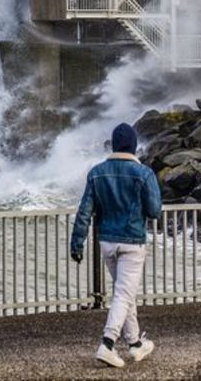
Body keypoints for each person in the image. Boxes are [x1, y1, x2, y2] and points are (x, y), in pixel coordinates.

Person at [69, 122, 162, 368]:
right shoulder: (144, 174)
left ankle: (135, 345)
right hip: (132, 242)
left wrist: (77, 244)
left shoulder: (97, 172)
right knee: (123, 293)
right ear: (133, 146)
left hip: (107, 242)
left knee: (124, 292)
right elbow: (154, 211)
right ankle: (107, 344)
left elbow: (84, 212)